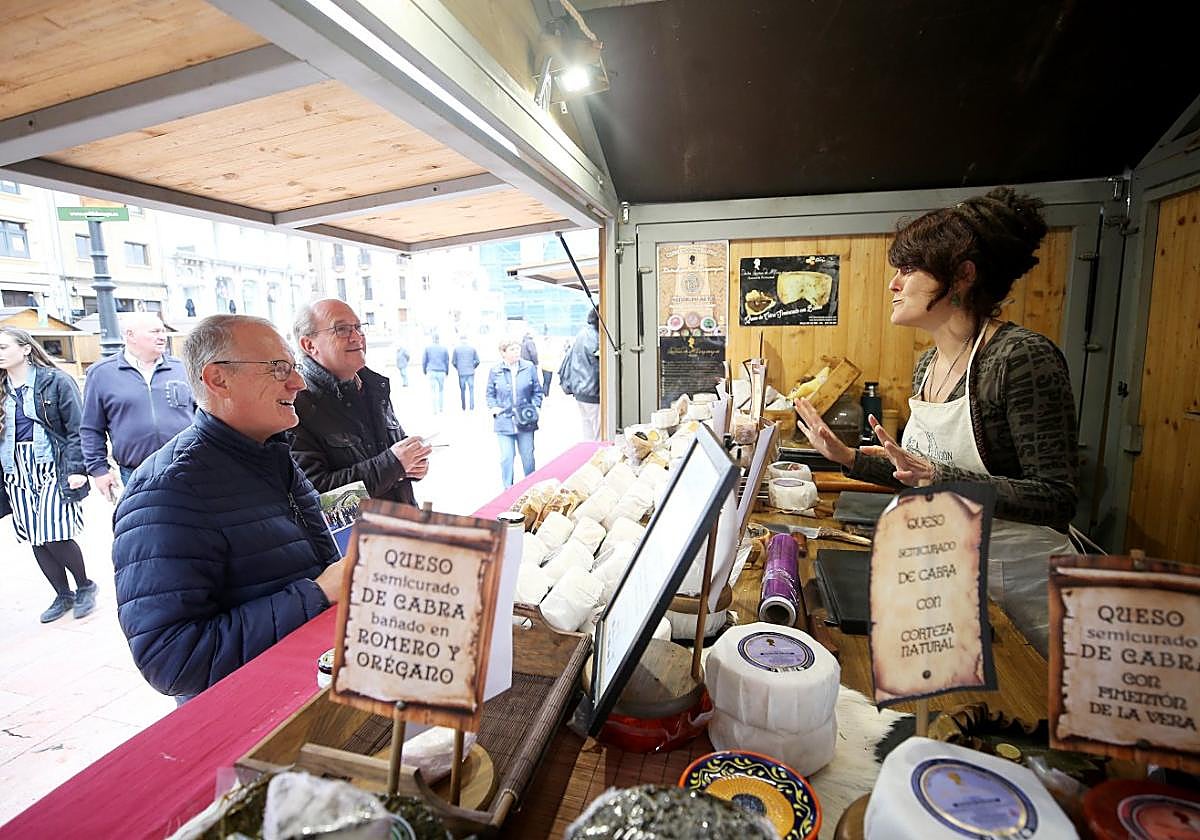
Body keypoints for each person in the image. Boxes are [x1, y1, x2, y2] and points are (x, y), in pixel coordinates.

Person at [795, 187, 1078, 656]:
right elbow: (917, 475)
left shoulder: (1020, 358)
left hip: (1020, 594)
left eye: (908, 270)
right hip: (954, 576)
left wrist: (942, 478)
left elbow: (1057, 498)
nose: (893, 284)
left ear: (962, 276)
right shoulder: (928, 365)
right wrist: (847, 459)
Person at [111, 315, 347, 701]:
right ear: (218, 379)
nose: (298, 382)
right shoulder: (168, 489)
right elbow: (172, 660)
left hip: (311, 684)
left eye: (294, 368)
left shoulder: (270, 453)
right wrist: (317, 593)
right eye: (278, 368)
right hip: (254, 713)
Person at [289, 299, 430, 505]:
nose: (357, 337)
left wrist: (413, 463)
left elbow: (393, 453)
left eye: (358, 327)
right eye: (342, 329)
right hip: (359, 535)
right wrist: (393, 464)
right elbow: (320, 498)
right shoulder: (298, 404)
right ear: (309, 345)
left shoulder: (374, 386)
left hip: (404, 523)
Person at [0, 327, 96, 623]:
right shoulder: (1, 386)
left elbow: (76, 428)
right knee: (35, 537)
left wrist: (77, 468)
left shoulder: (55, 381)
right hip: (15, 468)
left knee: (54, 531)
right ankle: (62, 594)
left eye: (3, 347)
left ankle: (85, 586)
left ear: (26, 348)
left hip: (52, 464)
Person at [80, 312, 195, 501]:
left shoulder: (182, 368)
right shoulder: (102, 374)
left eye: (163, 331)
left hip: (187, 465)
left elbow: (204, 414)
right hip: (137, 471)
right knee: (148, 525)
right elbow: (91, 428)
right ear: (130, 335)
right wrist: (99, 470)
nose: (162, 336)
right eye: (155, 331)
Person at [486, 339, 544, 487]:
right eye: (512, 349)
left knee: (528, 457)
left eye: (518, 349)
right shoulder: (495, 370)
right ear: (503, 352)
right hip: (504, 420)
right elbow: (490, 393)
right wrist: (494, 409)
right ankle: (508, 489)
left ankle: (531, 487)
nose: (516, 352)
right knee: (506, 457)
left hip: (525, 419)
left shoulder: (529, 367)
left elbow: (537, 391)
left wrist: (536, 407)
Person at [559, 309, 601, 440]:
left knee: (588, 431)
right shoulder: (596, 337)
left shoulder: (582, 333)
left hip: (580, 390)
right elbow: (599, 364)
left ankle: (589, 456)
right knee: (599, 433)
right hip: (592, 390)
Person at [451, 335, 480, 411]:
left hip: (461, 372)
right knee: (471, 390)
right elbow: (477, 361)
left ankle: (463, 406)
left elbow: (453, 362)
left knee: (462, 390)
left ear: (460, 340)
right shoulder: (472, 349)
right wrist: (473, 367)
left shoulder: (456, 349)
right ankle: (472, 407)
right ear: (467, 340)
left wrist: (458, 368)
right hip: (470, 372)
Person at [422, 335, 449, 414]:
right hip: (441, 371)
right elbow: (447, 361)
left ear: (432, 339)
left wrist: (424, 371)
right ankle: (441, 408)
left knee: (433, 391)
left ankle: (434, 410)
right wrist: (447, 371)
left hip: (431, 371)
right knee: (441, 391)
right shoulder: (444, 348)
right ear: (439, 339)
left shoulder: (428, 348)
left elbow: (424, 360)